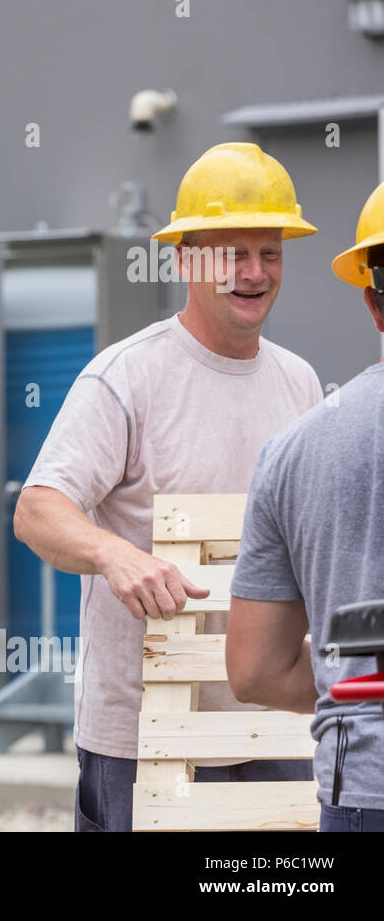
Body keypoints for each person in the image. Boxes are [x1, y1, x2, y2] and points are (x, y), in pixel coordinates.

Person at [12, 142, 322, 831]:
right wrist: (114, 555)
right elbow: (38, 510)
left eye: (269, 253)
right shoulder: (126, 378)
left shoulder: (299, 382)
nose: (254, 272)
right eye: (230, 254)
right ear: (184, 260)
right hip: (145, 734)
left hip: (272, 725)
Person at [227, 181, 384, 831]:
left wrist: (345, 678)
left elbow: (255, 670)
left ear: (373, 302)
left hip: (362, 787)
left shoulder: (294, 451)